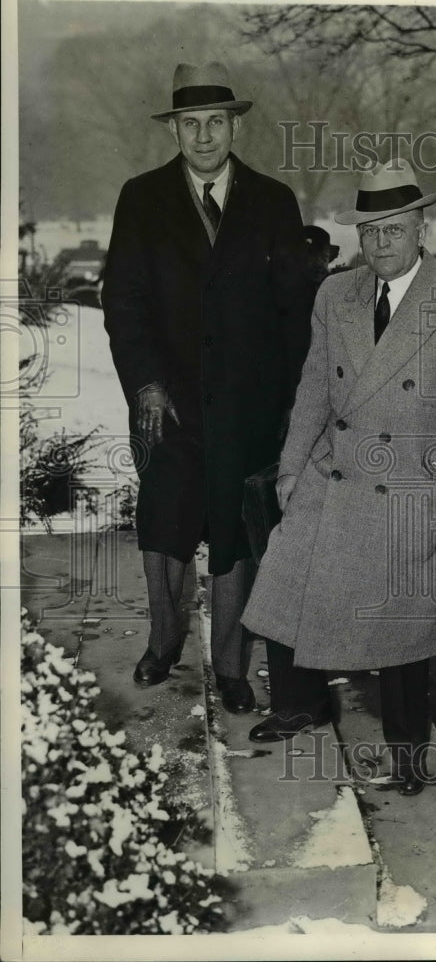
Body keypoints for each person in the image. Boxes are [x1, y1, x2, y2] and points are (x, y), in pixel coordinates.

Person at [241, 159, 436, 795]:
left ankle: (407, 746)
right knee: (289, 577)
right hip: (339, 469)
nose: (381, 242)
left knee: (402, 620)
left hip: (412, 481)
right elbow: (313, 391)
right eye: (370, 230)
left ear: (420, 228)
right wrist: (294, 467)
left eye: (394, 228)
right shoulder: (336, 294)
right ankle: (302, 703)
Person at [101, 62, 306, 715]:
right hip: (170, 406)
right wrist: (147, 387)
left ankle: (232, 666)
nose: (204, 135)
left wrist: (287, 409)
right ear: (176, 129)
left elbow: (293, 313)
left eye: (216, 121)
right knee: (165, 530)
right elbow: (124, 304)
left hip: (249, 411)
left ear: (233, 124)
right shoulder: (142, 197)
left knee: (238, 539)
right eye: (191, 123)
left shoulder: (274, 202)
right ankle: (164, 643)